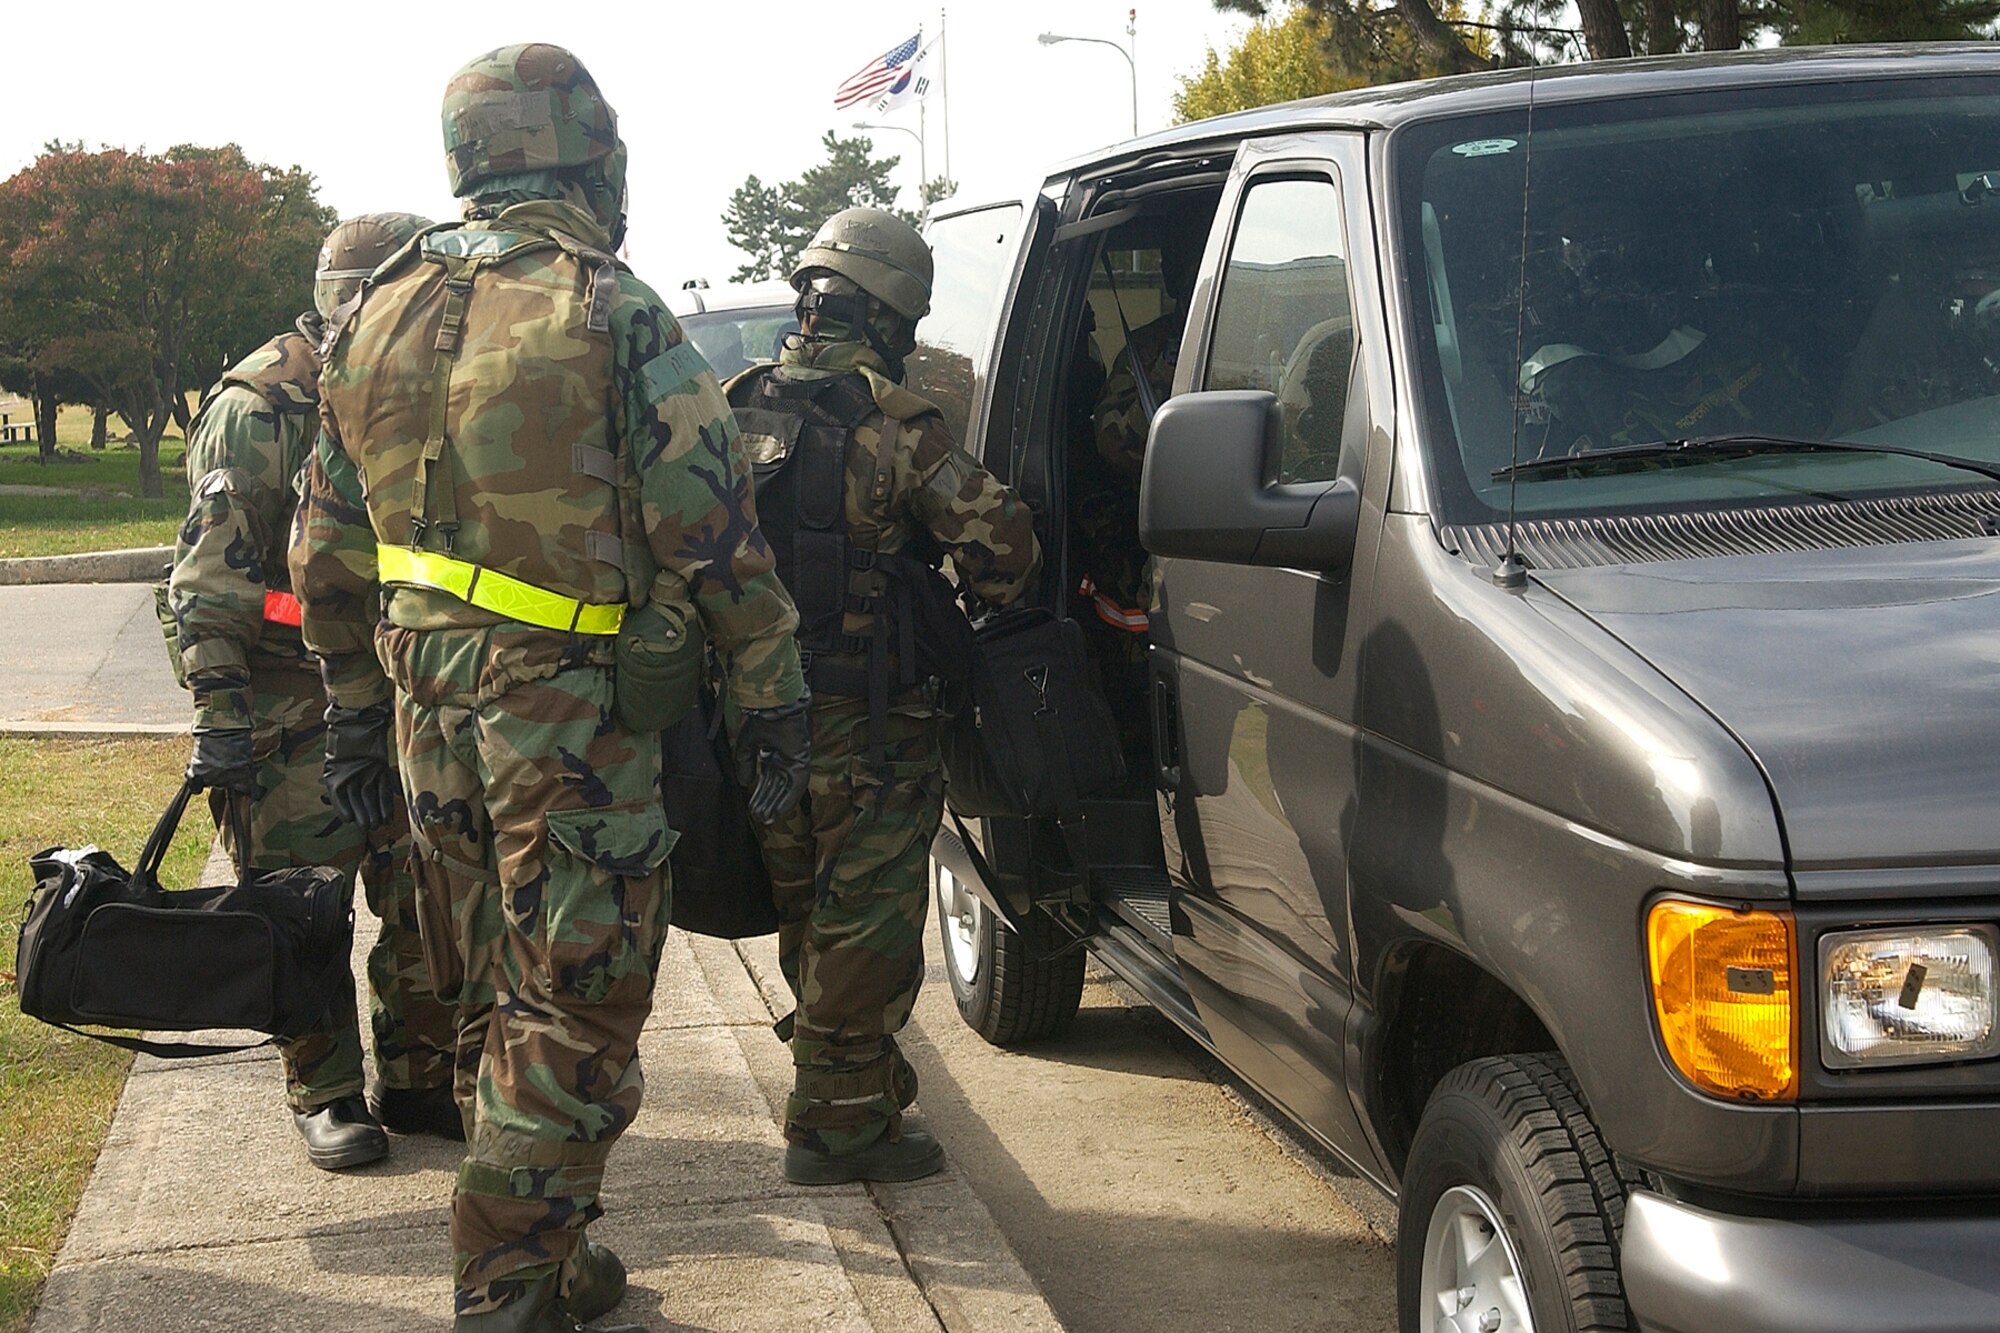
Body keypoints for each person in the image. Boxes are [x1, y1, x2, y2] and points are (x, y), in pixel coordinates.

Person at [290, 43, 809, 1333]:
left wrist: (356, 701)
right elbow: (715, 529)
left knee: (488, 987)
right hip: (563, 716)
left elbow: (321, 546)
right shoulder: (608, 306)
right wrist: (776, 696)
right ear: (587, 155)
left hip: (429, 713)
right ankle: (510, 1284)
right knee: (576, 996)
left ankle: (550, 1249)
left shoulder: (375, 309)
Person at [725, 207, 1041, 1186]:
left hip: (755, 714)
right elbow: (1005, 558)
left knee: (806, 908)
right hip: (867, 720)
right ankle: (837, 1121)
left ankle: (847, 1069)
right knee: (865, 916)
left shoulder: (732, 406)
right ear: (896, 313)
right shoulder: (900, 431)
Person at [169, 210, 457, 1173]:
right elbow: (207, 585)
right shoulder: (260, 409)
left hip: (405, 693)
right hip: (290, 706)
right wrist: (219, 720)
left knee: (424, 895)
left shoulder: (421, 389)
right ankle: (326, 1089)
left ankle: (416, 1077)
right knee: (306, 908)